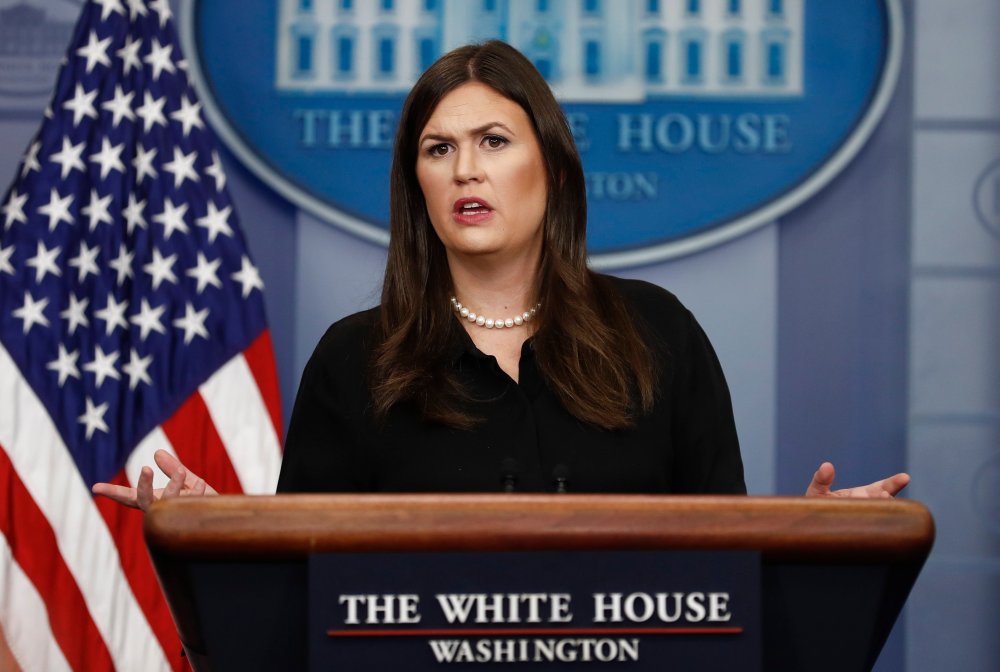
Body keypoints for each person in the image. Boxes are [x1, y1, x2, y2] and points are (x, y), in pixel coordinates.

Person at [93, 41, 909, 507]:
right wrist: (220, 533)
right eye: (438, 149)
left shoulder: (657, 336)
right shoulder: (357, 361)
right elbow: (301, 585)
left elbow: (725, 570)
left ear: (550, 168)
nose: (464, 171)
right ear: (416, 184)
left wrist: (806, 545)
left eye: (493, 142)